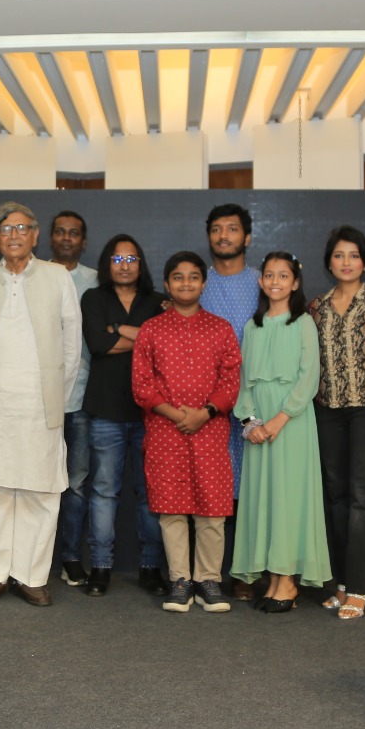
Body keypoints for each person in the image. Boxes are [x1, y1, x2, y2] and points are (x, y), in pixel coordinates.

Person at [0, 201, 82, 607]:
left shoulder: (56, 276)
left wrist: (55, 397)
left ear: (35, 235)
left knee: (39, 491)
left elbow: (72, 344)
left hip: (40, 403)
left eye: (21, 228)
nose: (13, 236)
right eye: (6, 229)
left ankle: (30, 576)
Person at [133, 253, 241, 613]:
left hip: (210, 430)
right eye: (178, 277)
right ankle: (180, 581)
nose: (186, 283)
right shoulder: (151, 330)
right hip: (165, 430)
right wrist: (176, 415)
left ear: (203, 284)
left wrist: (204, 413)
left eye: (193, 277)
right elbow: (142, 386)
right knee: (171, 509)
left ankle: (208, 580)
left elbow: (231, 382)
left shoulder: (221, 329)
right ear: (167, 284)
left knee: (211, 509)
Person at [308, 226, 365, 621]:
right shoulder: (316, 307)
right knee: (335, 497)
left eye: (354, 255)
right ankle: (343, 583)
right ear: (329, 262)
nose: (346, 262)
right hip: (326, 411)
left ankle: (361, 588)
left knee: (363, 499)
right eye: (339, 255)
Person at [232, 253, 331, 612]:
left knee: (289, 498)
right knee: (265, 499)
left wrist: (278, 420)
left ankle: (287, 581)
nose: (276, 281)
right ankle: (272, 579)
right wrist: (250, 422)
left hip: (292, 423)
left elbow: (308, 378)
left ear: (295, 283)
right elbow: (243, 380)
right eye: (270, 275)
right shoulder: (252, 326)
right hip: (259, 425)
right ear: (261, 281)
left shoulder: (303, 323)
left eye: (283, 275)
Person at [78, 234, 167, 597]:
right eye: (117, 259)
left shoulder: (158, 301)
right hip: (106, 410)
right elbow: (98, 344)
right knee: (103, 491)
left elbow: (163, 346)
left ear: (141, 264)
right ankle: (100, 567)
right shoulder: (93, 298)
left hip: (152, 413)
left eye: (131, 259)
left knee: (149, 494)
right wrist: (144, 339)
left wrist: (117, 330)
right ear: (107, 264)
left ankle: (150, 569)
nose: (125, 266)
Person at [198, 203, 262, 601]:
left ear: (247, 237)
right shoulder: (196, 283)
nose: (224, 236)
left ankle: (247, 573)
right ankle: (204, 573)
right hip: (209, 405)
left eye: (232, 229)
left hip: (257, 402)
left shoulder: (263, 282)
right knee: (215, 489)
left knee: (253, 490)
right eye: (217, 229)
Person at [49, 210, 97, 587]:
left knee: (77, 485)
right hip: (37, 400)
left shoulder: (96, 282)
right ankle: (28, 560)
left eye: (74, 233)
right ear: (50, 238)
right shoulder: (32, 277)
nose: (67, 238)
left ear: (84, 241)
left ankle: (71, 558)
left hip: (81, 399)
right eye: (61, 232)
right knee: (33, 482)